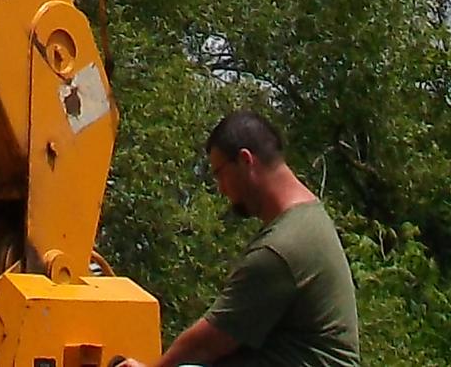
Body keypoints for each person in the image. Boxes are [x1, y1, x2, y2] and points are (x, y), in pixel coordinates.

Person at [146, 111, 358, 367]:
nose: (222, 188)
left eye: (219, 173)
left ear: (246, 160)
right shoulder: (309, 218)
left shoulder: (280, 249)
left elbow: (206, 342)